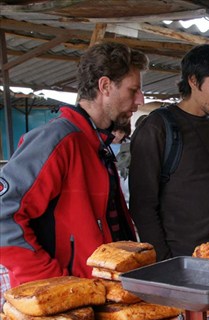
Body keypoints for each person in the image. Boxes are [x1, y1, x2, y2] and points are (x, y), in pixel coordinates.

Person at [0, 42, 148, 287]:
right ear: (105, 86)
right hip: (61, 302)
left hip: (96, 296)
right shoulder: (58, 141)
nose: (140, 100)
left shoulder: (98, 144)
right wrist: (53, 281)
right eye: (133, 90)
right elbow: (4, 216)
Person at [129, 44, 209, 261]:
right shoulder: (159, 128)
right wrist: (165, 263)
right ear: (193, 80)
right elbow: (143, 207)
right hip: (182, 262)